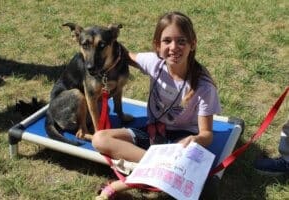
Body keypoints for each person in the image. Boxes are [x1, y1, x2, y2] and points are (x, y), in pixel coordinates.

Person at [92, 11, 221, 199]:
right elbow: (125, 55)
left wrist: (196, 140)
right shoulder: (154, 62)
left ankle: (121, 185)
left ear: (193, 44)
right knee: (99, 139)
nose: (174, 47)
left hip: (181, 144)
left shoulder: (203, 86)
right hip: (153, 134)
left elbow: (207, 134)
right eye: (167, 41)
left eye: (181, 41)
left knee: (192, 175)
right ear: (157, 46)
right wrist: (100, 48)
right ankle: (162, 169)